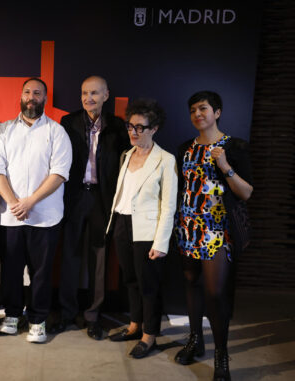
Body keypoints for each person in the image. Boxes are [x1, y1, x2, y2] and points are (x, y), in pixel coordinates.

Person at [174, 91, 253, 381]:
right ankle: (195, 340)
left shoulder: (234, 147)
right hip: (187, 227)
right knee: (191, 283)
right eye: (193, 110)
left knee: (215, 292)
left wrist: (225, 167)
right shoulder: (184, 148)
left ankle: (221, 354)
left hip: (217, 229)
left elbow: (246, 193)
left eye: (203, 108)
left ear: (217, 112)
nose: (198, 114)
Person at [0, 78, 72, 343]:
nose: (31, 96)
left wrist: (30, 201)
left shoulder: (56, 132)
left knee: (41, 272)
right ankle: (12, 315)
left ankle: (37, 320)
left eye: (37, 93)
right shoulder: (3, 130)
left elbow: (59, 173)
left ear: (45, 99)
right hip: (9, 215)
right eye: (27, 92)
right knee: (10, 271)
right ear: (21, 96)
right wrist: (15, 201)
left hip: (45, 217)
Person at [51, 76, 130, 339]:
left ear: (106, 95)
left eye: (94, 93)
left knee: (99, 259)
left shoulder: (118, 126)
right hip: (74, 197)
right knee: (70, 257)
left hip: (102, 199)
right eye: (85, 93)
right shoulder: (68, 122)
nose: (89, 98)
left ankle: (93, 316)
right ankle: (66, 314)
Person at [104, 99, 177, 358]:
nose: (133, 132)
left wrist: (161, 242)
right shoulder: (127, 154)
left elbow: (168, 206)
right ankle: (135, 325)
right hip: (123, 223)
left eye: (140, 128)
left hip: (147, 230)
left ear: (154, 129)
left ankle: (150, 335)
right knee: (130, 280)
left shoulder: (165, 160)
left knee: (149, 285)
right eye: (130, 126)